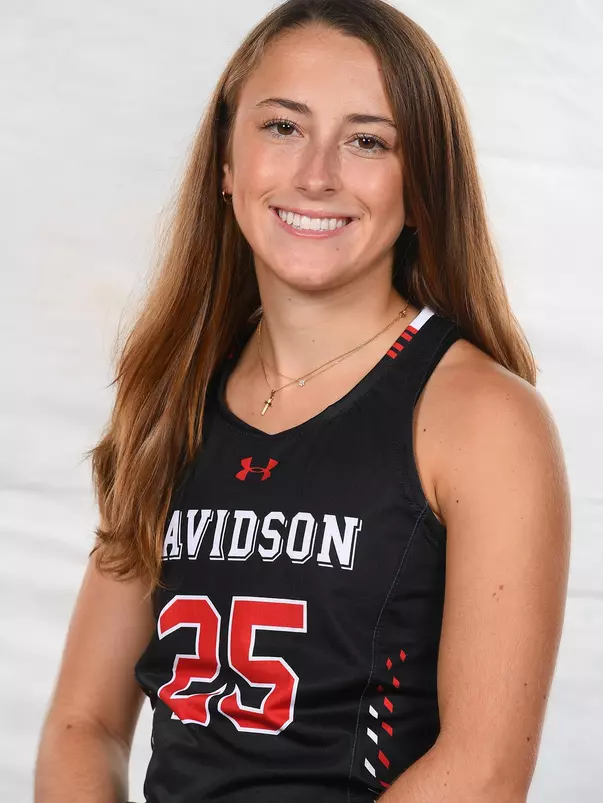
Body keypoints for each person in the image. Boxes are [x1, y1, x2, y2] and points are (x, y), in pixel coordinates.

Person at [34, 1, 571, 801]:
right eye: (282, 127)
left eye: (366, 140)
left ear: (421, 184)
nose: (316, 173)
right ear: (225, 159)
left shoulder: (482, 418)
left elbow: (482, 771)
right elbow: (87, 722)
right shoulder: (170, 397)